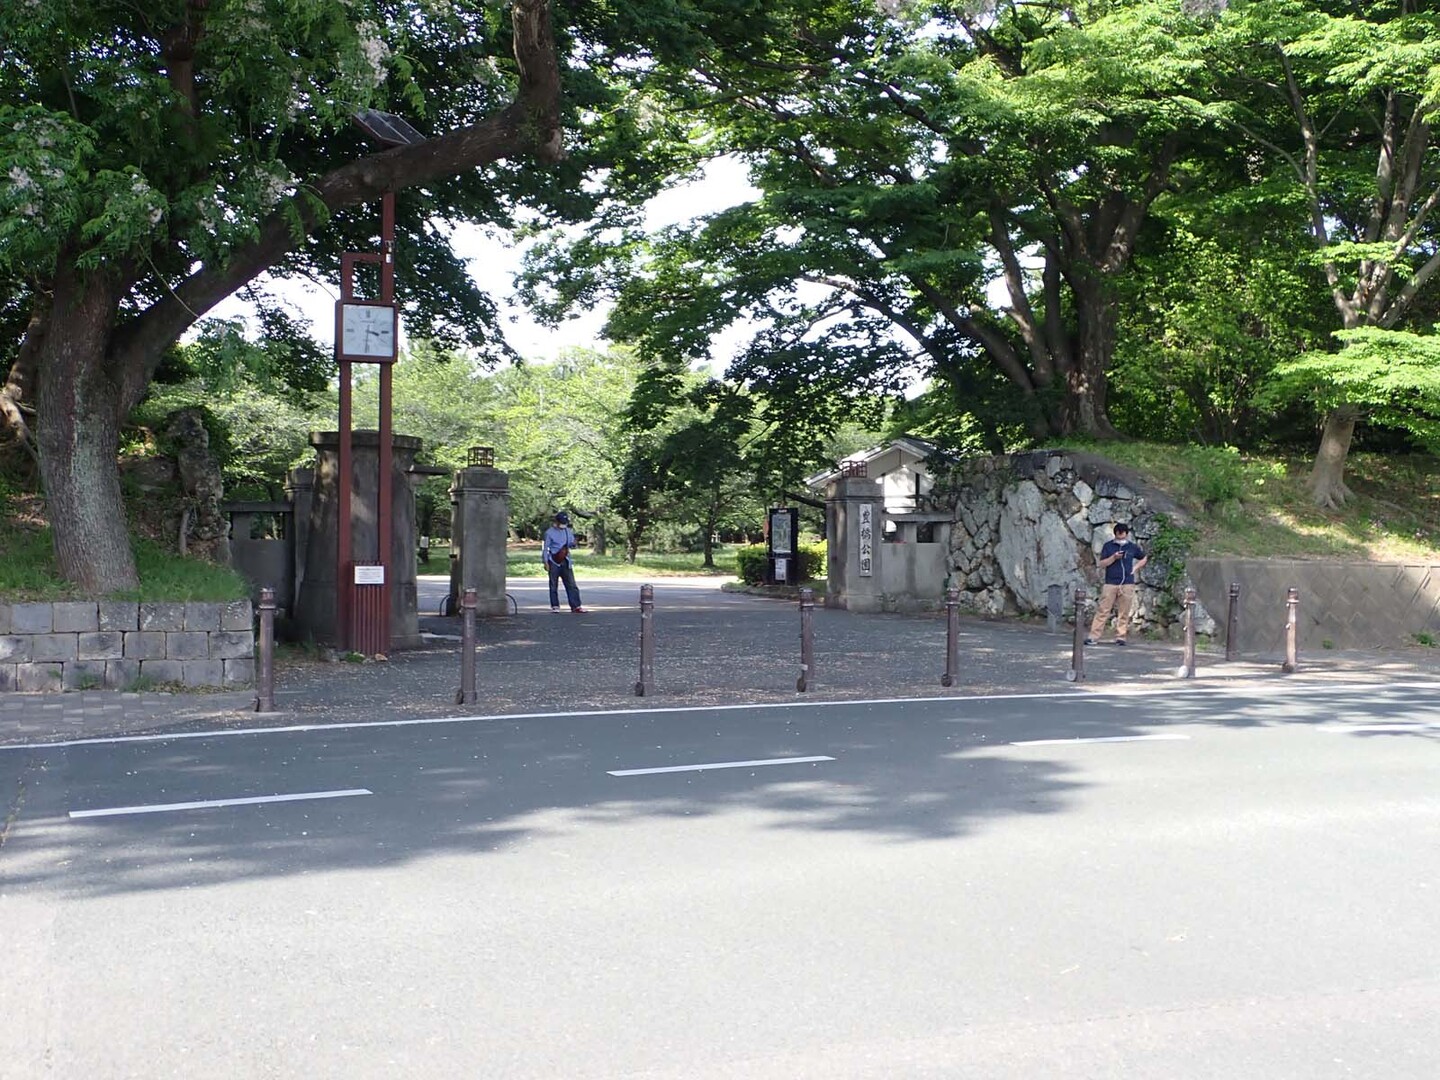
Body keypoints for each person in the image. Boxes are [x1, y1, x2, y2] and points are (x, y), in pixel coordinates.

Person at [1086, 522, 1146, 646]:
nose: (1121, 539)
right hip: (1111, 582)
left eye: (1123, 537)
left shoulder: (1132, 547)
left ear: (1126, 535)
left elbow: (1143, 557)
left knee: (1124, 611)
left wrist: (1135, 568)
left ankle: (1121, 637)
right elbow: (1102, 564)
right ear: (1115, 535)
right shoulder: (1108, 546)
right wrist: (1113, 558)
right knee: (1103, 610)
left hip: (1127, 582)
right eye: (1119, 537)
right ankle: (1093, 636)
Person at [542, 511, 586, 613]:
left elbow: (570, 544)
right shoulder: (549, 533)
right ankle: (555, 606)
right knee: (553, 584)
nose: (563, 524)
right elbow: (545, 548)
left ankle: (576, 605)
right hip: (554, 560)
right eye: (561, 522)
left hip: (566, 560)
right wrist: (545, 562)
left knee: (571, 584)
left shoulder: (568, 531)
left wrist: (574, 543)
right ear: (556, 522)